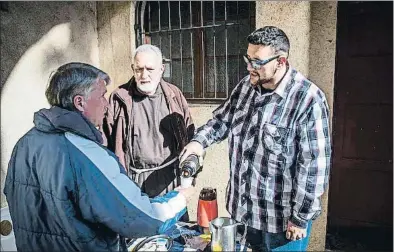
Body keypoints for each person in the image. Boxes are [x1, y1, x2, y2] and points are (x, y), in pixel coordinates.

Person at [3, 62, 193, 251]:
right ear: (79, 102)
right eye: (101, 96)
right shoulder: (86, 152)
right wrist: (179, 199)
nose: (106, 103)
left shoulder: (25, 143)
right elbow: (142, 217)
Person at [180, 26, 332, 251]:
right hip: (243, 215)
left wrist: (300, 218)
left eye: (257, 61)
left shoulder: (308, 100)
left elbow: (313, 168)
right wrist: (198, 142)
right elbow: (222, 121)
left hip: (281, 225)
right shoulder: (246, 87)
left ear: (280, 61)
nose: (249, 67)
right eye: (247, 59)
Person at [101, 44, 195, 200]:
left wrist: (188, 178)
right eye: (139, 69)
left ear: (161, 69)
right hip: (133, 181)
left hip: (170, 180)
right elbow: (105, 143)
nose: (144, 75)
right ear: (133, 68)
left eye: (150, 69)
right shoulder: (119, 98)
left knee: (175, 223)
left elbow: (190, 136)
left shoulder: (174, 95)